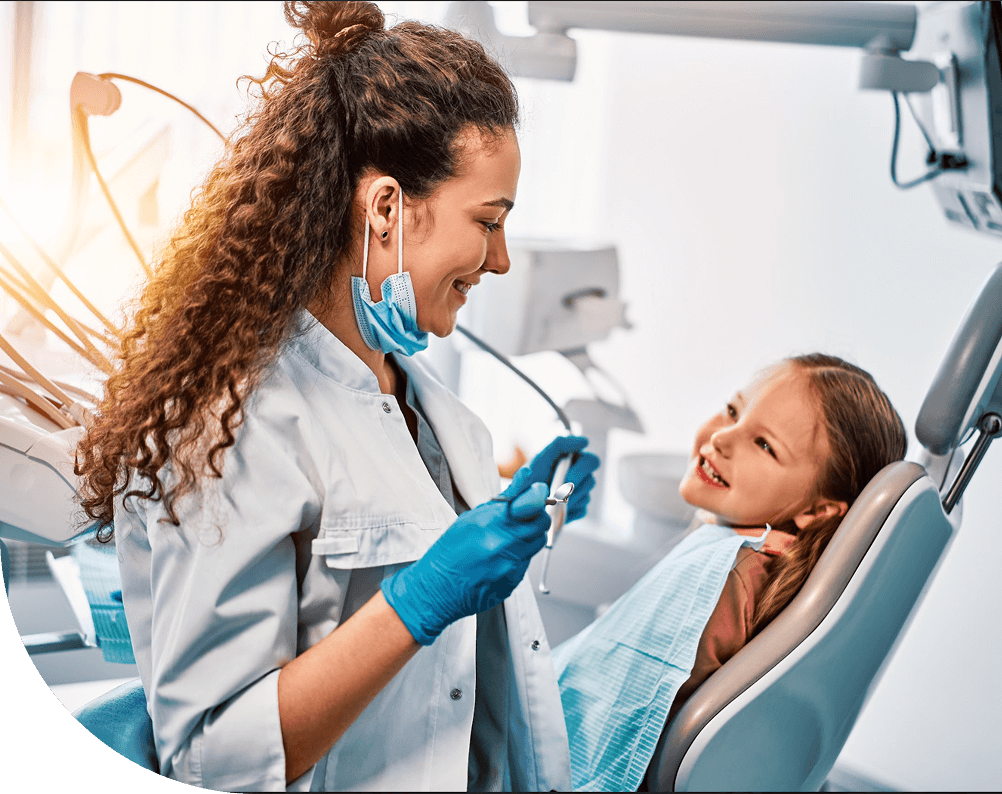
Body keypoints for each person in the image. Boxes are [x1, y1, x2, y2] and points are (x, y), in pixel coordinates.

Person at [73, 2, 599, 791]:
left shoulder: (422, 402)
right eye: (487, 222)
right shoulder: (232, 423)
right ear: (387, 208)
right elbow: (211, 756)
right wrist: (415, 603)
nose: (500, 260)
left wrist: (526, 521)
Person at [552, 353, 908, 792]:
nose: (722, 436)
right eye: (735, 411)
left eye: (764, 445)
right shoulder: (738, 554)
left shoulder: (730, 572)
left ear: (818, 510)